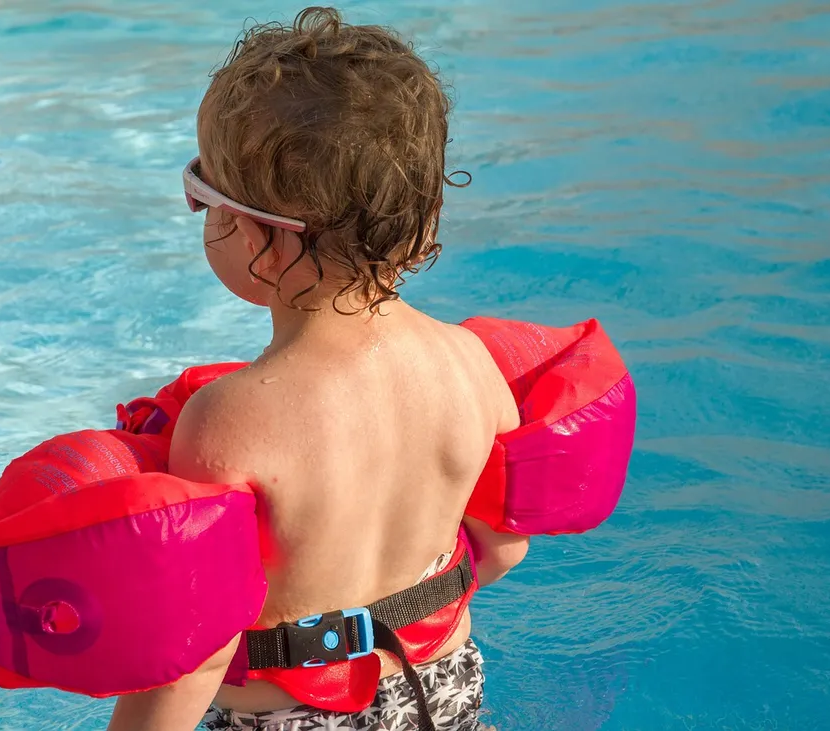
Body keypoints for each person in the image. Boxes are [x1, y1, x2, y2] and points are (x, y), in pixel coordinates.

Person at [106, 6, 528, 730]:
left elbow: (196, 655)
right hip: (444, 694)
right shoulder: (470, 367)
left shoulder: (228, 421)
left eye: (200, 195)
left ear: (262, 242)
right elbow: (504, 547)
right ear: (423, 218)